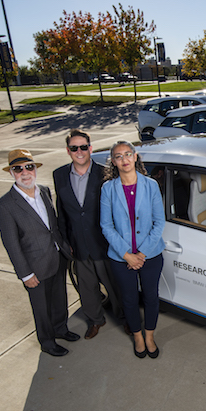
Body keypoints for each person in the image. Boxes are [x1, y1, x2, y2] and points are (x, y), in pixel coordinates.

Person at [0, 149, 80, 357]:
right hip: (34, 267)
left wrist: (64, 246)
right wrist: (25, 274)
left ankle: (61, 329)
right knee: (42, 308)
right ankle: (47, 341)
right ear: (11, 173)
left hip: (57, 257)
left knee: (60, 298)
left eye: (29, 167)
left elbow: (53, 226)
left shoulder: (44, 191)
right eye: (18, 169)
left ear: (35, 169)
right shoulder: (4, 206)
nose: (25, 173)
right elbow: (11, 244)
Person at [53, 129, 126, 340]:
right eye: (74, 148)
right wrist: (65, 242)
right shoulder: (59, 175)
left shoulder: (105, 174)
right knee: (87, 289)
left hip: (104, 244)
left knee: (115, 287)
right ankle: (96, 321)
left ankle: (125, 319)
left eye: (83, 147)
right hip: (78, 245)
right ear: (68, 151)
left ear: (90, 149)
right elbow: (62, 211)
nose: (79, 151)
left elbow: (117, 210)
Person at [100, 141, 165, 359]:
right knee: (128, 299)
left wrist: (142, 254)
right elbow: (106, 226)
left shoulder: (151, 185)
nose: (124, 159)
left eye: (128, 154)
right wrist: (127, 255)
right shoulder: (108, 189)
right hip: (121, 259)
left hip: (151, 255)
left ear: (135, 157)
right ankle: (137, 336)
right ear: (114, 162)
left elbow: (159, 223)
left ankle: (149, 335)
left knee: (151, 298)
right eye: (119, 156)